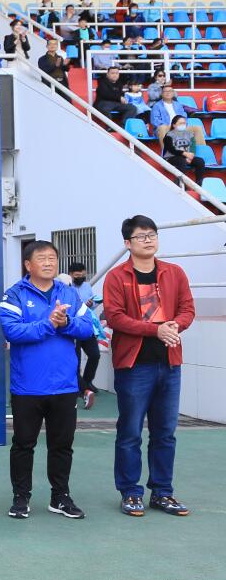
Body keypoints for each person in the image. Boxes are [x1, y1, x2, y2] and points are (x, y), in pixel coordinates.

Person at [103, 215, 195, 517]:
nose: (148, 240)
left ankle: (162, 492)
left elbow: (187, 308)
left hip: (169, 363)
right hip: (134, 366)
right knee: (130, 432)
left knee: (165, 432)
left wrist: (175, 325)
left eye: (152, 234)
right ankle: (130, 492)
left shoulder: (174, 272)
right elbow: (115, 317)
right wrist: (155, 330)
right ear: (127, 243)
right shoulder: (116, 277)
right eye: (141, 236)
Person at [0, 240, 94, 521]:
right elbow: (13, 331)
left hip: (64, 385)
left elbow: (87, 328)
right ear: (28, 264)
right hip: (27, 386)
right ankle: (21, 498)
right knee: (23, 444)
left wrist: (66, 323)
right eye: (41, 258)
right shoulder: (14, 294)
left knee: (62, 445)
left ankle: (60, 497)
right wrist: (50, 323)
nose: (49, 262)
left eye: (52, 257)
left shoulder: (69, 293)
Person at [67, 262, 99, 409]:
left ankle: (87, 382)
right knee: (76, 360)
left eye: (82, 274)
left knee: (95, 355)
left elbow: (92, 305)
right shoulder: (66, 287)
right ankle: (80, 388)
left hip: (86, 326)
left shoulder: (87, 286)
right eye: (77, 275)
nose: (80, 277)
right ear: (71, 275)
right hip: (74, 327)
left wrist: (92, 303)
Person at [161, 115, 206, 185]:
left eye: (184, 123)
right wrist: (185, 154)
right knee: (181, 161)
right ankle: (181, 183)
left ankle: (199, 184)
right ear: (174, 125)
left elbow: (193, 147)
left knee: (200, 161)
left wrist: (190, 156)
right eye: (180, 123)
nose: (183, 125)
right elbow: (172, 149)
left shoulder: (189, 134)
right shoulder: (168, 135)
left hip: (185, 157)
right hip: (171, 157)